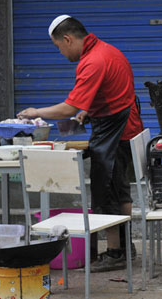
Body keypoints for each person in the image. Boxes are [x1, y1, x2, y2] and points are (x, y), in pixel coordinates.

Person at [18, 15, 141, 272]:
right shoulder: (107, 50)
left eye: (58, 47)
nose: (61, 53)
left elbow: (69, 108)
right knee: (119, 190)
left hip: (115, 131)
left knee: (107, 192)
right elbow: (108, 92)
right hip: (124, 127)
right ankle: (125, 247)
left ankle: (116, 252)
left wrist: (35, 112)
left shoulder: (92, 61)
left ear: (67, 39)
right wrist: (89, 110)